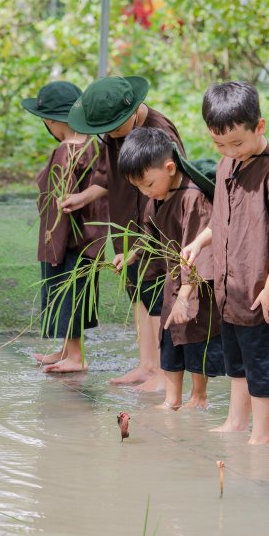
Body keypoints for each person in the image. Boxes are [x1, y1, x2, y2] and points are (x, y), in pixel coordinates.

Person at [181, 81, 269, 445]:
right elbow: (220, 220)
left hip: (264, 293)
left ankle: (262, 435)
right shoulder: (226, 166)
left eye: (236, 142)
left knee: (263, 367)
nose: (229, 151)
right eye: (219, 144)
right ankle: (236, 422)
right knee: (237, 363)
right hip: (233, 289)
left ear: (260, 126)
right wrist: (198, 242)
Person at [65, 76, 185, 392]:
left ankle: (163, 371)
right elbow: (106, 176)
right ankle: (146, 365)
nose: (113, 134)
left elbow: (174, 190)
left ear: (132, 110)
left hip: (157, 231)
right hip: (126, 230)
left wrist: (147, 239)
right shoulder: (111, 135)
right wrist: (83, 196)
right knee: (138, 293)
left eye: (117, 127)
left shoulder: (160, 133)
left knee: (158, 296)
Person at [118, 127, 225, 411]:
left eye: (148, 184)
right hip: (173, 282)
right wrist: (131, 255)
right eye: (139, 187)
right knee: (170, 342)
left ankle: (198, 397)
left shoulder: (193, 198)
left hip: (195, 285)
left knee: (195, 341)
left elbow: (199, 252)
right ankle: (172, 399)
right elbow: (150, 234)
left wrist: (185, 296)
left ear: (169, 167)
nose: (145, 192)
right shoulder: (158, 197)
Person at [22, 81, 107, 373]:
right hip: (89, 237)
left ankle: (75, 357)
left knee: (66, 292)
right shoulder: (94, 145)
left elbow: (59, 203)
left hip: (67, 239)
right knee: (75, 293)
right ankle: (67, 350)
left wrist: (53, 245)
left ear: (52, 121)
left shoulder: (65, 151)